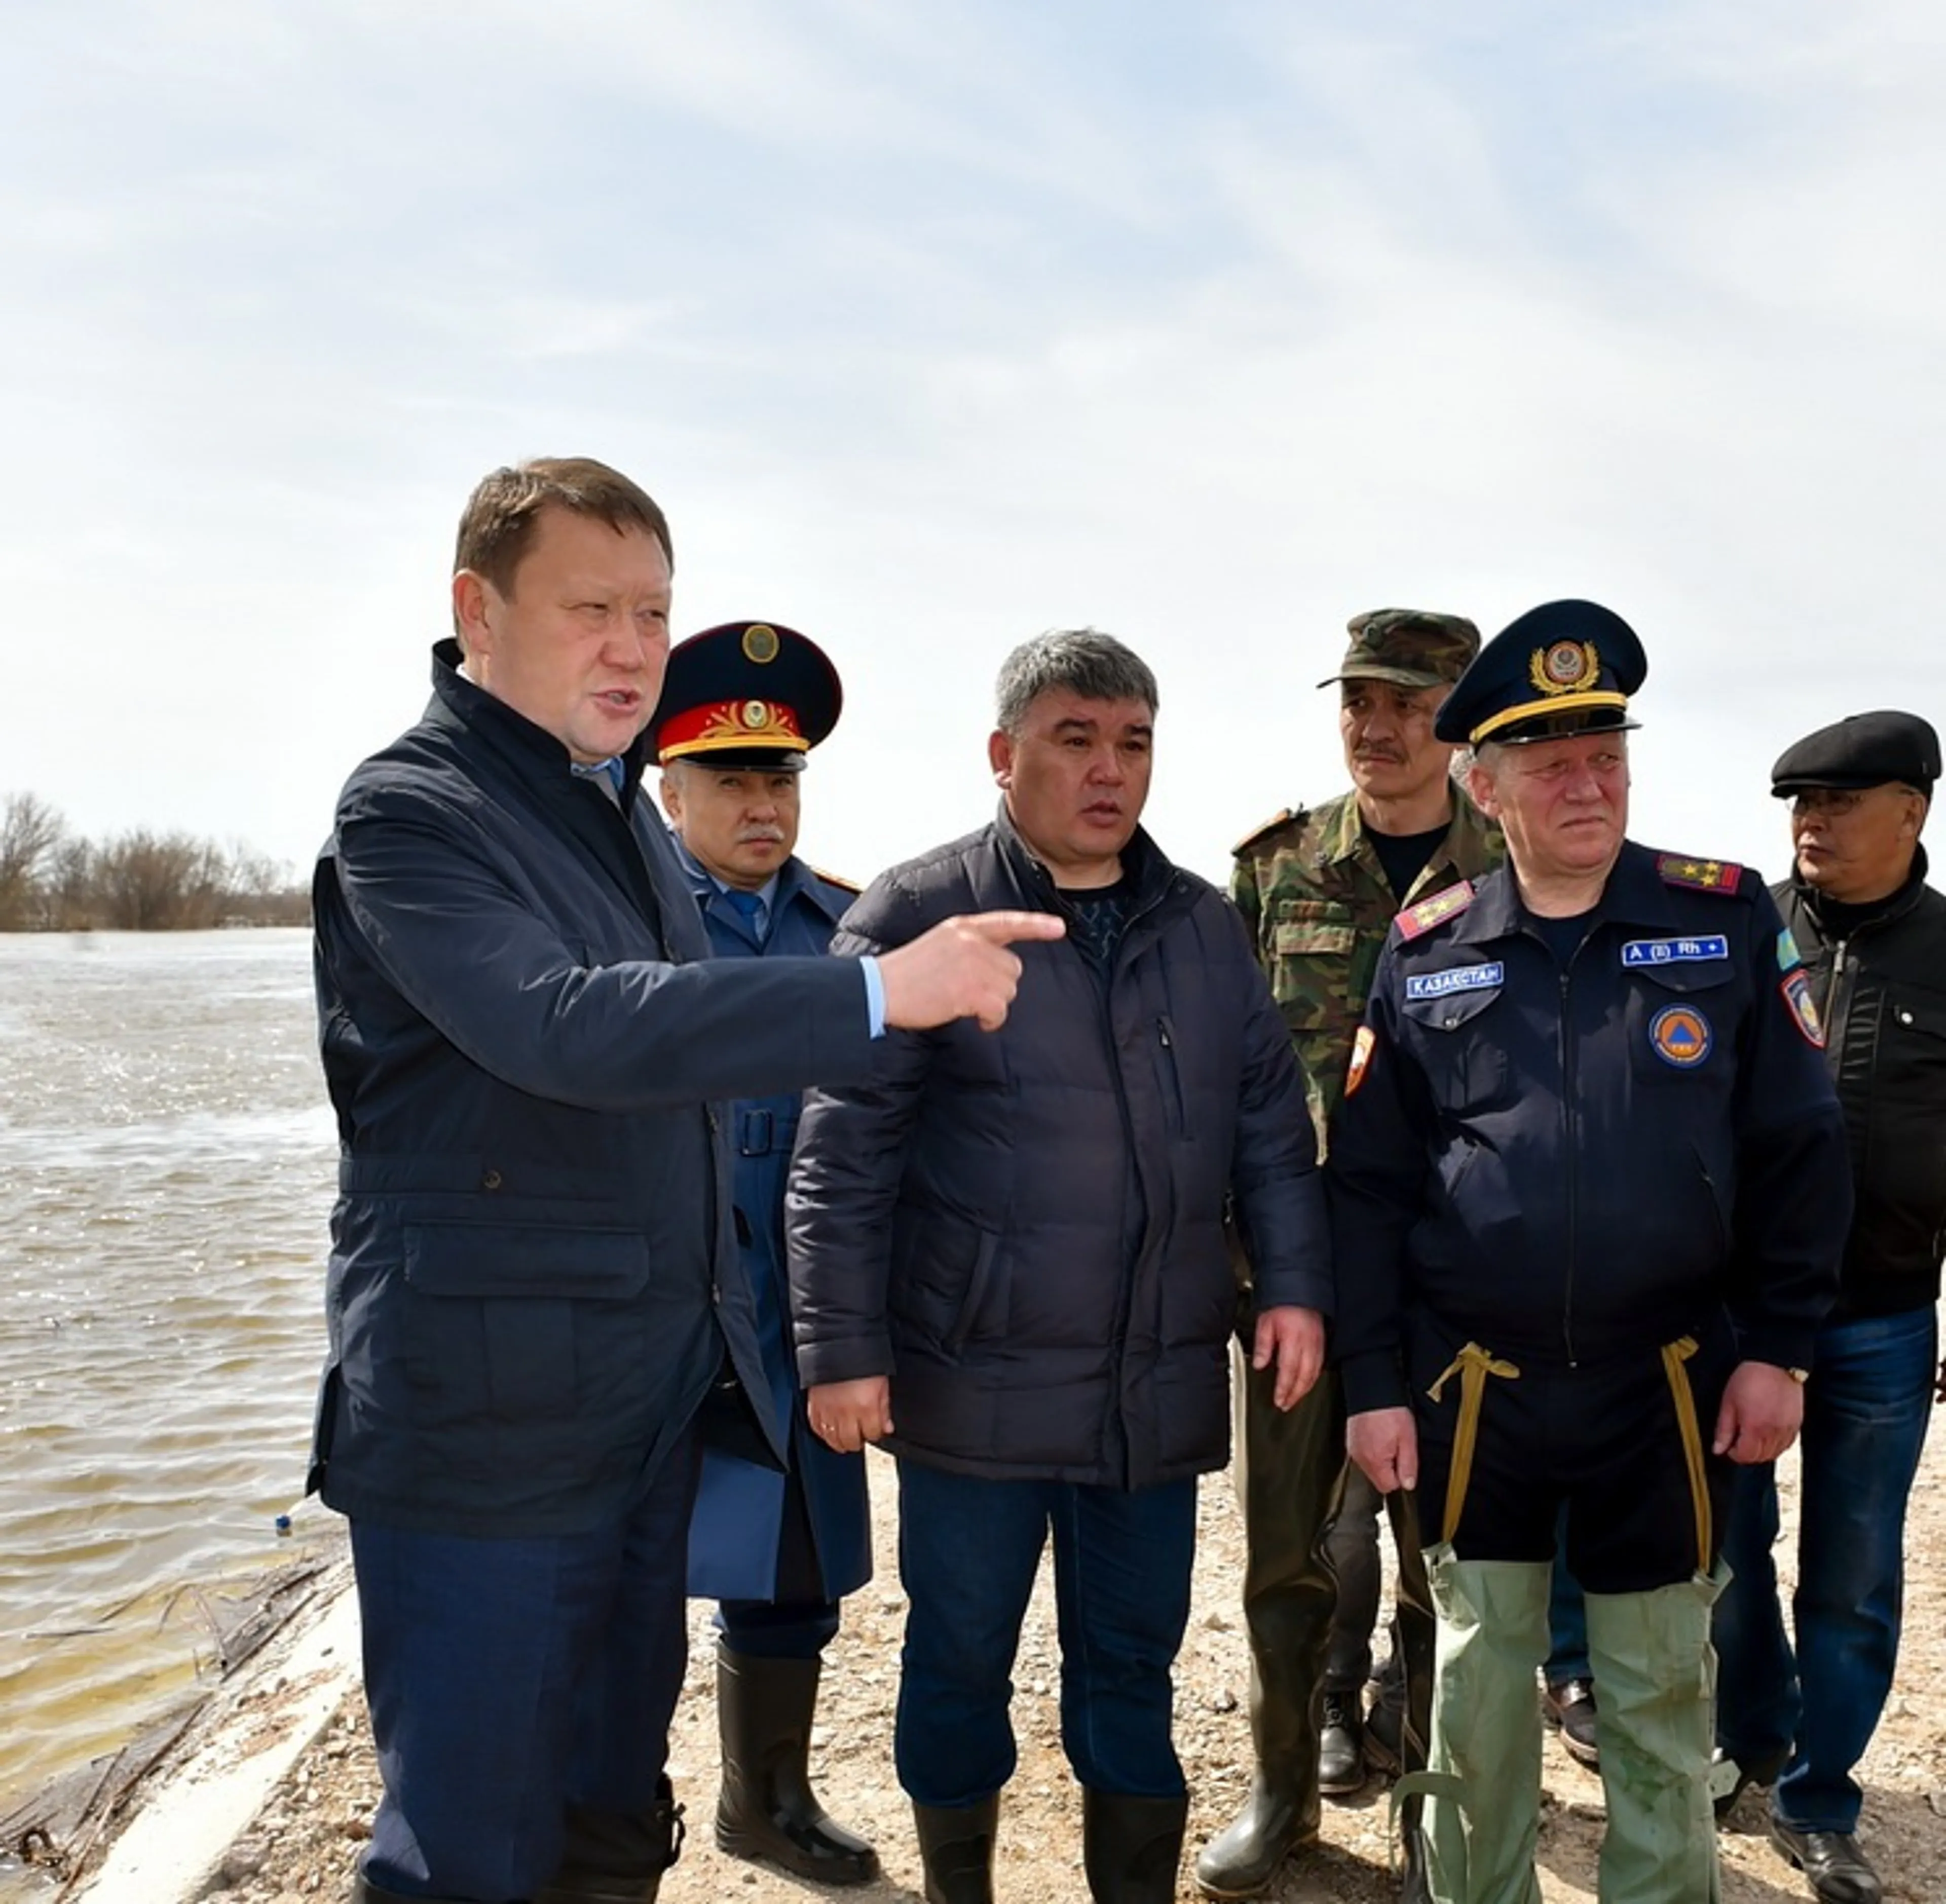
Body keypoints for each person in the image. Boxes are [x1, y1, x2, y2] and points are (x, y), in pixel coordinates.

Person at [309, 456, 1062, 1904]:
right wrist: (871, 993)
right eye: (592, 606)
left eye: (652, 610)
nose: (633, 645)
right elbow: (569, 1021)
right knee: (471, 1850)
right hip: (483, 1441)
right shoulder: (414, 810)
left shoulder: (608, 814)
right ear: (478, 609)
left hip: (633, 1419)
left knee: (608, 1814)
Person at [786, 629, 1334, 1904]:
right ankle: (958, 1886)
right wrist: (843, 1348)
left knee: (1132, 1669)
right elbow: (841, 1155)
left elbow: (1269, 1127)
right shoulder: (920, 914)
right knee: (961, 1653)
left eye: (1133, 743)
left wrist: (1297, 1285)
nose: (1109, 772)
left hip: (1150, 1382)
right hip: (973, 1381)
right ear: (1003, 755)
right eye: (1075, 740)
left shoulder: (1203, 926)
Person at [1328, 599, 1852, 1904]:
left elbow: (1801, 1154)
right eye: (1551, 762)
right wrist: (1374, 1380)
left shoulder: (1723, 923)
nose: (1589, 782)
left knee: (1660, 1703)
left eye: (1607, 752)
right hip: (1474, 1395)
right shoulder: (1428, 953)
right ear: (1485, 785)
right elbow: (1371, 1190)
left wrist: (1781, 1350)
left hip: (1663, 1388)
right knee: (1477, 1705)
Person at [1201, 608, 1499, 1902]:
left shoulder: (1516, 860)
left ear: (1461, 718)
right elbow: (1219, 1071)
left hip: (1460, 1281)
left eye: (1408, 702)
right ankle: (1280, 1790)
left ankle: (1439, 1804)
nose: (1376, 728)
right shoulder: (1277, 869)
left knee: (1454, 1556)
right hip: (1302, 1275)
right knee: (1287, 1550)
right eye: (1357, 702)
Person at [649, 618, 880, 1886]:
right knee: (624, 1575)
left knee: (790, 1572)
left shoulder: (847, 930)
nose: (760, 801)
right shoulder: (626, 926)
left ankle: (764, 1799)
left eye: (779, 775)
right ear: (667, 787)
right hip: (659, 1312)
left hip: (794, 1316)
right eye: (730, 777)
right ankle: (611, 1800)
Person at [1712, 710, 1946, 1904]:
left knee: (1852, 1568)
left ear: (1913, 810)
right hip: (1747, 1315)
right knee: (1726, 1546)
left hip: (1887, 1316)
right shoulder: (1740, 930)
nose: (1810, 823)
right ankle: (1749, 1734)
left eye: (1838, 803)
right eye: (1798, 803)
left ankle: (1818, 1796)